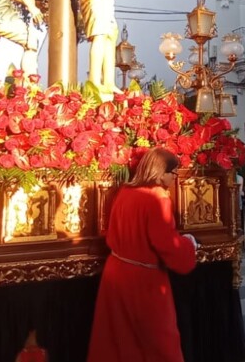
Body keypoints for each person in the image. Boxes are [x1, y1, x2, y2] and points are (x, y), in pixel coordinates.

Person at [87, 148, 198, 362]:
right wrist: (188, 245)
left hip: (116, 273)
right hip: (144, 282)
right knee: (159, 343)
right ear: (160, 172)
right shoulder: (157, 198)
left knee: (117, 340)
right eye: (173, 174)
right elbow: (166, 243)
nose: (174, 179)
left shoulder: (126, 191)